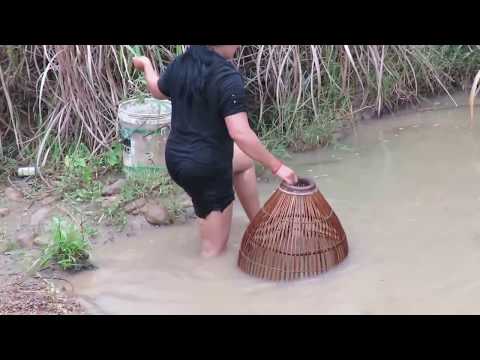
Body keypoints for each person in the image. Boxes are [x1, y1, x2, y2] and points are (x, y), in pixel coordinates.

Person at [133, 45, 298, 258]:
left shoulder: (182, 63)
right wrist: (278, 167)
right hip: (208, 169)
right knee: (214, 253)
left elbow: (156, 90)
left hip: (176, 159)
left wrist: (146, 64)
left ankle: (260, 224)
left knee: (244, 161)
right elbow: (240, 133)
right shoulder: (228, 78)